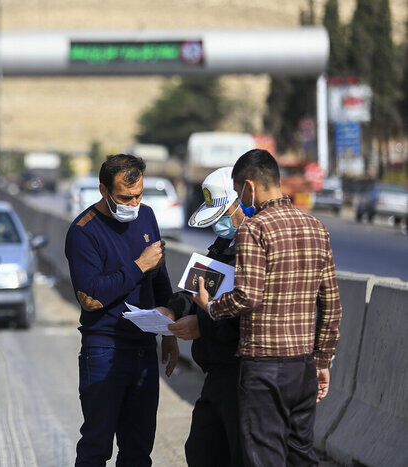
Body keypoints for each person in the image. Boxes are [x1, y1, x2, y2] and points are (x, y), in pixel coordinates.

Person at [191, 150, 342, 466]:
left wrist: (210, 307)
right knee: (301, 454)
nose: (239, 196)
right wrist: (323, 360)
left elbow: (248, 296)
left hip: (264, 368)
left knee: (263, 456)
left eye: (237, 191)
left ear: (249, 186)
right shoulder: (316, 227)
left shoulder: (254, 229)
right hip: (303, 367)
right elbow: (331, 304)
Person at [65, 154, 178, 467]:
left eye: (139, 195)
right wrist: (138, 265)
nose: (134, 203)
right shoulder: (83, 231)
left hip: (144, 348)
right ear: (104, 190)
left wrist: (169, 333)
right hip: (104, 350)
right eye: (125, 198)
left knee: (138, 450)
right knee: (96, 447)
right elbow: (90, 298)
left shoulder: (147, 217)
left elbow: (159, 277)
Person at [161, 167, 245, 467]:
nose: (220, 225)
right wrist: (173, 309)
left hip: (243, 373)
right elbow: (195, 287)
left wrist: (203, 325)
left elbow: (248, 314)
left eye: (224, 215)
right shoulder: (223, 246)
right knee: (202, 450)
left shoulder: (257, 251)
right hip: (217, 373)